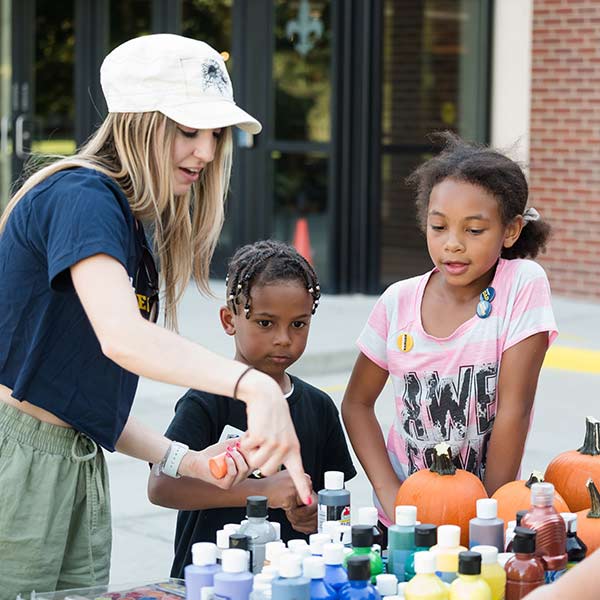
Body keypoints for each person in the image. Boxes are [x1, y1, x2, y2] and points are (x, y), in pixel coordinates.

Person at [0, 35, 310, 597]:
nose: (208, 152)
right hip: (17, 467)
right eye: (188, 131)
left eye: (215, 134)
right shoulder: (83, 195)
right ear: (138, 123)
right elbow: (124, 339)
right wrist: (253, 388)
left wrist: (185, 461)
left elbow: (76, 401)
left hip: (75, 460)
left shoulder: (125, 217)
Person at [341, 132, 558, 528]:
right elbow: (356, 404)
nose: (452, 245)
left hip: (485, 515)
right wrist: (393, 496)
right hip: (406, 519)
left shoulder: (521, 285)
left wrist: (487, 517)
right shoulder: (397, 301)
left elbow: (514, 409)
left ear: (510, 231)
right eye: (438, 227)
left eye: (474, 231)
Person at [148, 240, 356, 578]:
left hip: (291, 580)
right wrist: (263, 491)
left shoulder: (319, 407)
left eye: (298, 324)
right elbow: (161, 487)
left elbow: (330, 498)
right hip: (211, 580)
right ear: (229, 320)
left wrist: (312, 512)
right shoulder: (206, 400)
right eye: (265, 323)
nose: (283, 339)